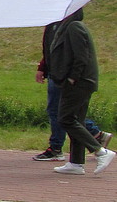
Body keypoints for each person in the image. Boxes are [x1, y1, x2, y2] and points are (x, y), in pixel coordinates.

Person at [46, 9, 115, 175]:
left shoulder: (74, 27)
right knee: (78, 120)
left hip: (79, 82)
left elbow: (81, 55)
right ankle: (76, 163)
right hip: (82, 81)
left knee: (65, 118)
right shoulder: (69, 26)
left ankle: (100, 151)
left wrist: (72, 77)